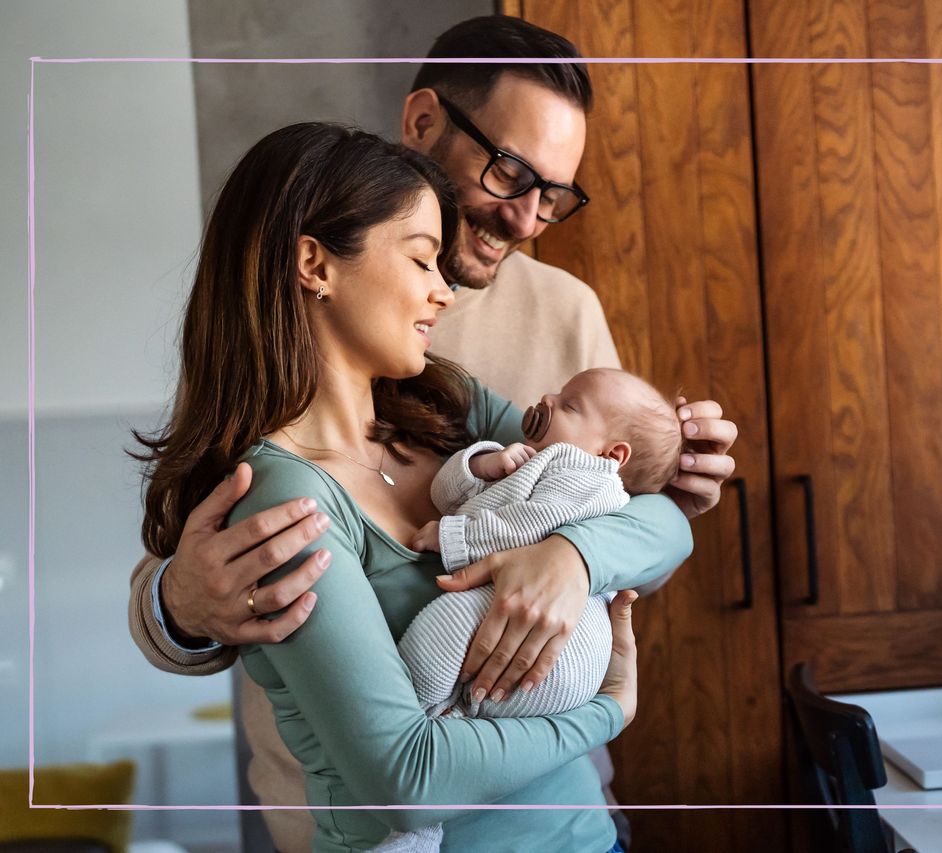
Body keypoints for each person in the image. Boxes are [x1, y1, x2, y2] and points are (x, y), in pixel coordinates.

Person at [126, 15, 737, 850]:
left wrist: (579, 552)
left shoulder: (466, 378)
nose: (527, 217)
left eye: (553, 196)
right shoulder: (277, 451)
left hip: (573, 818)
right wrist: (179, 604)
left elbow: (644, 514)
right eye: (512, 172)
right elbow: (395, 767)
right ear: (423, 122)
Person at [379, 367, 681, 852]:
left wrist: (451, 537)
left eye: (570, 405)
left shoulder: (589, 479)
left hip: (565, 650)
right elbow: (446, 494)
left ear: (612, 454)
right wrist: (482, 465)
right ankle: (429, 744)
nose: (547, 398)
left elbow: (521, 532)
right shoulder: (537, 463)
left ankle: (417, 732)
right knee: (454, 643)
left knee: (447, 622)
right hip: (537, 642)